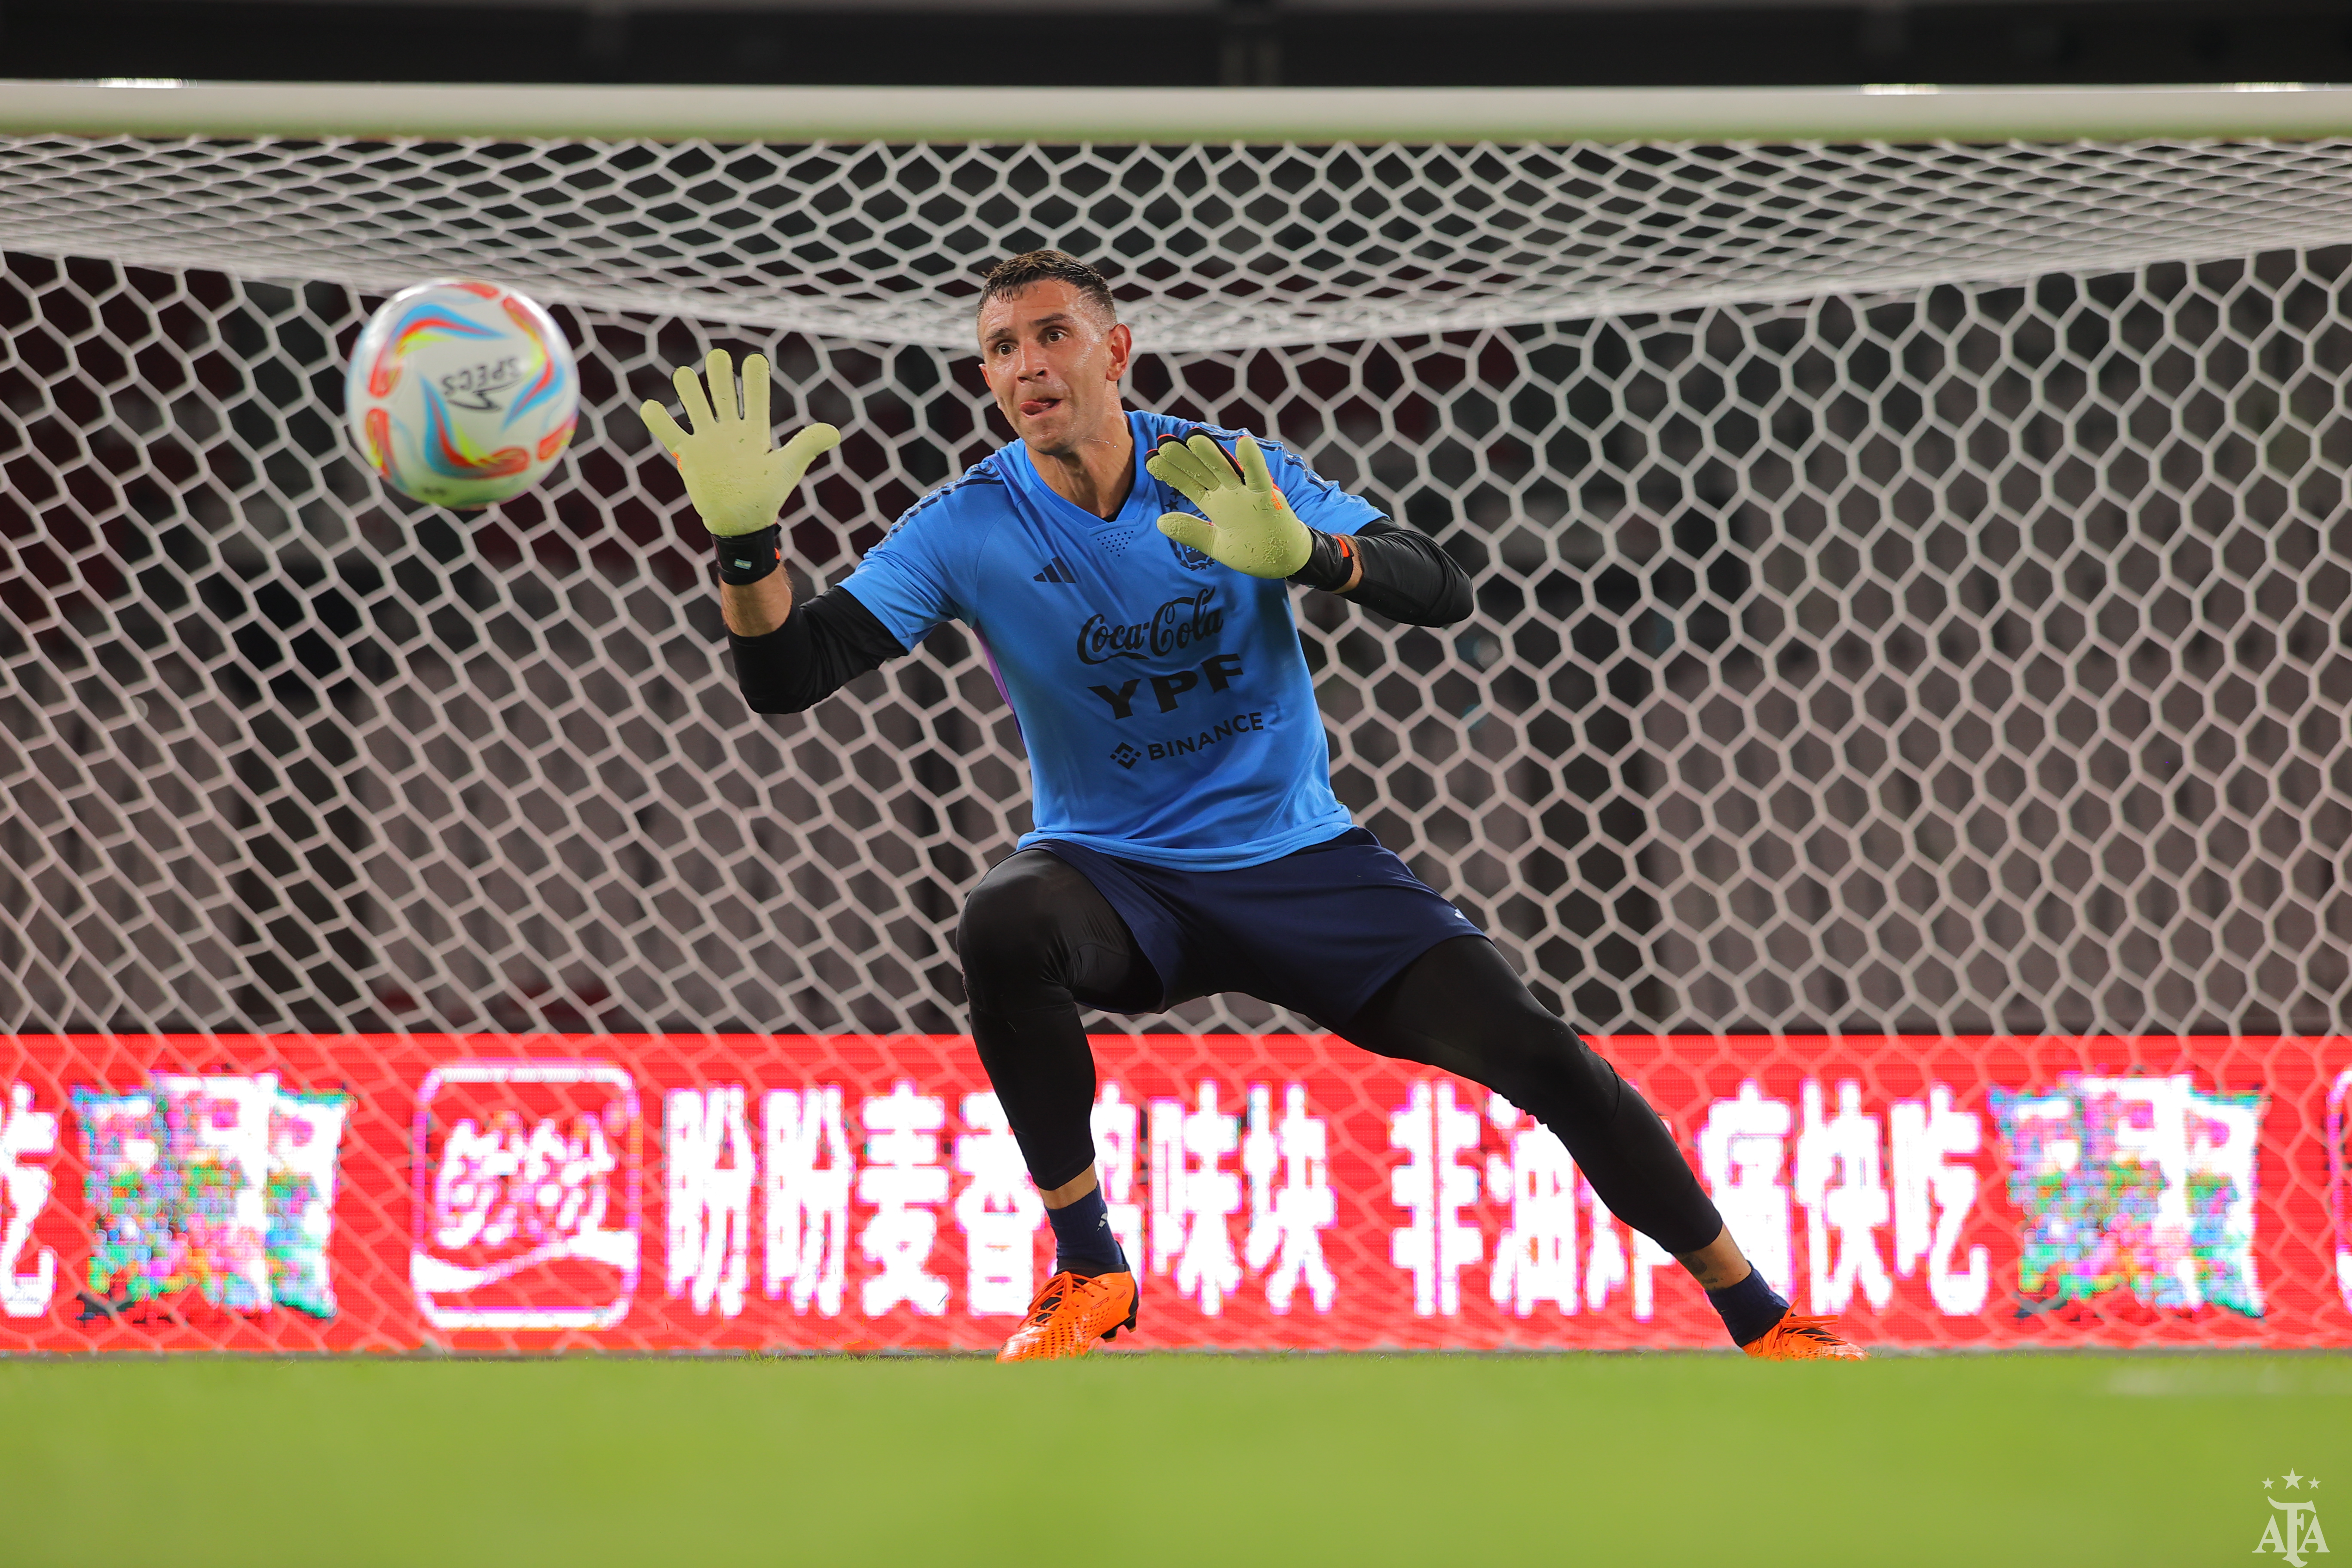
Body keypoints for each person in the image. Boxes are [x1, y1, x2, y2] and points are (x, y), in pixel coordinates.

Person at [637, 249, 1864, 1363]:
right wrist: (749, 549)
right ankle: (1089, 1268)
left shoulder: (1230, 472)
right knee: (1003, 921)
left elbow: (1443, 585)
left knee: (1547, 1060)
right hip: (1115, 876)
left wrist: (1309, 557)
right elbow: (789, 678)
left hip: (1301, 861)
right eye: (1001, 350)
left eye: (1052, 335)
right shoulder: (966, 524)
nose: (1026, 367)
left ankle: (1763, 1316)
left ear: (1116, 350)